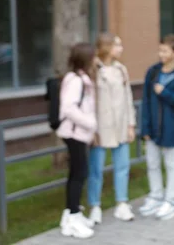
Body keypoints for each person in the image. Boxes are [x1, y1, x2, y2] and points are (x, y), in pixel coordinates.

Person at [139, 34, 174, 220]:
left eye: (165, 50)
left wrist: (165, 93)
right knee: (152, 163)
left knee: (171, 164)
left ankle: (170, 200)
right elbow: (145, 101)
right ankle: (155, 195)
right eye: (160, 50)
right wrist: (144, 129)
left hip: (172, 128)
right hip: (152, 127)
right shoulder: (152, 72)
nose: (160, 53)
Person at [87, 33, 137, 224]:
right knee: (96, 169)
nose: (121, 49)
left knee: (122, 166)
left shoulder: (121, 69)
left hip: (121, 125)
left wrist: (131, 124)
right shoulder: (93, 69)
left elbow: (128, 98)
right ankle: (95, 206)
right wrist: (91, 129)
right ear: (107, 47)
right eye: (117, 45)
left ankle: (122, 204)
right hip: (99, 128)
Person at [57, 43, 97, 239]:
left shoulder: (81, 78)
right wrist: (91, 123)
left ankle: (71, 213)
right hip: (75, 133)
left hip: (79, 133)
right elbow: (68, 108)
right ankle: (72, 218)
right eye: (93, 56)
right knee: (79, 174)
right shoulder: (76, 80)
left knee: (77, 173)